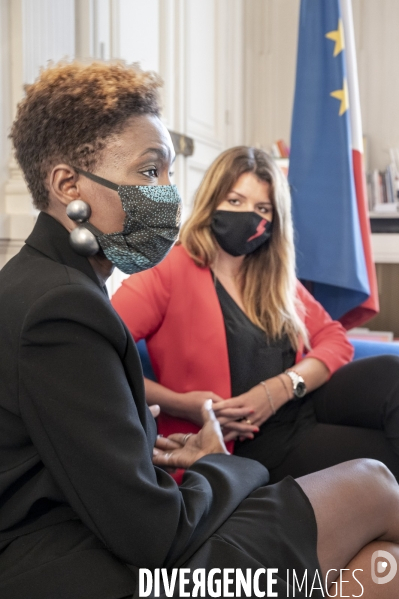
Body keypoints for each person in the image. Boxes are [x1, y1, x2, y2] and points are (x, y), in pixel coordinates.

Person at [1, 60, 399, 599]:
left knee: (381, 561)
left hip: (122, 533)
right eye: (149, 172)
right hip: (101, 567)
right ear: (68, 184)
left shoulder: (54, 285)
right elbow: (150, 532)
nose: (168, 194)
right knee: (371, 485)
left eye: (169, 174)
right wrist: (216, 462)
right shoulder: (63, 308)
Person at [112, 146, 399, 485]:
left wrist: (281, 388)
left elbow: (334, 338)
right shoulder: (167, 272)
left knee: (390, 372)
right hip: (250, 443)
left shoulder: (272, 276)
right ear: (212, 201)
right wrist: (181, 404)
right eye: (235, 201)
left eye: (262, 208)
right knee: (381, 462)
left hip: (300, 404)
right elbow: (100, 357)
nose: (249, 216)